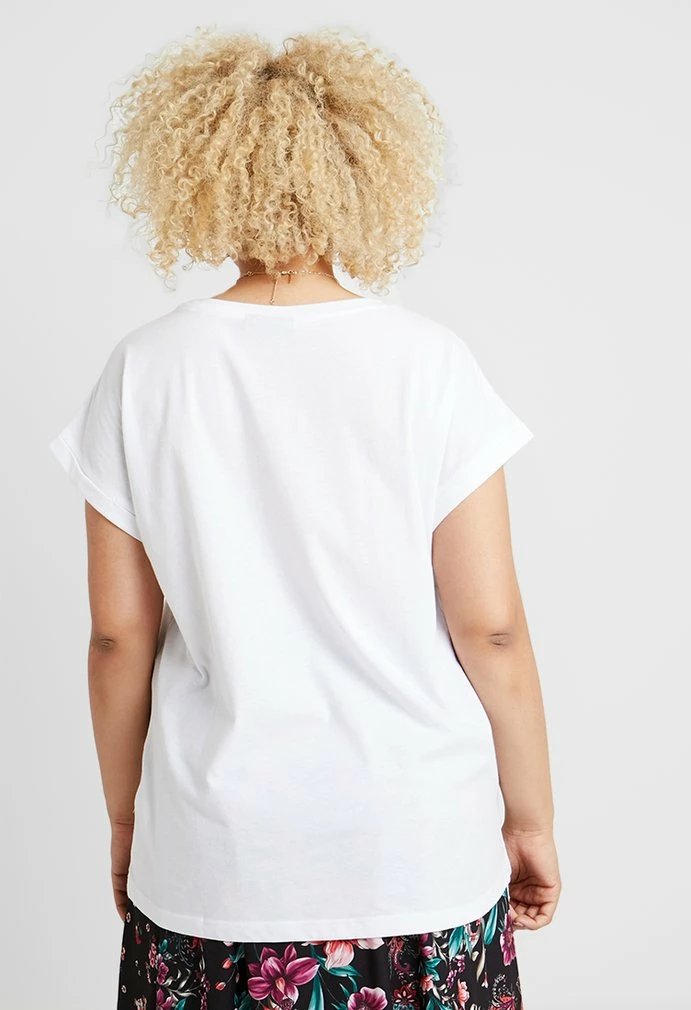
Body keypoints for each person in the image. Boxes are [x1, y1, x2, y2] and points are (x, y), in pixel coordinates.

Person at [49, 26, 560, 1010]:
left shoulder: (145, 370)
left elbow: (117, 635)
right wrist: (529, 818)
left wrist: (128, 818)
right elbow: (491, 627)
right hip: (420, 851)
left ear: (196, 174)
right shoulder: (428, 364)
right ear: (365, 171)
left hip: (215, 862)